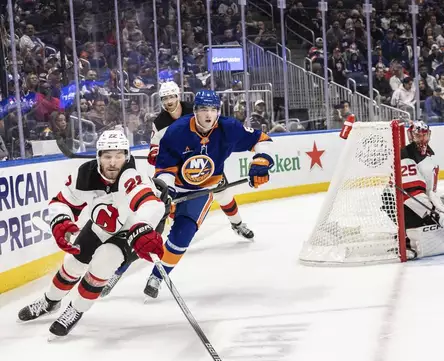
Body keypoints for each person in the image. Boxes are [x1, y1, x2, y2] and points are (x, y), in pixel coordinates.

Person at [17, 129, 168, 338]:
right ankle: (50, 301)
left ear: (127, 156)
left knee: (104, 262)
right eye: (107, 156)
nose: (113, 162)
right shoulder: (85, 174)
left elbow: (152, 204)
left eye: (119, 156)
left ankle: (75, 309)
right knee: (72, 263)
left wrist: (142, 227)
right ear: (98, 157)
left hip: (129, 231)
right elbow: (61, 202)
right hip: (100, 226)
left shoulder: (131, 177)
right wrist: (61, 220)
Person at [145, 90, 274, 299]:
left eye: (213, 109)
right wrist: (167, 192)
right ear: (195, 110)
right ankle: (117, 268)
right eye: (204, 109)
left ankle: (157, 276)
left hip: (203, 189)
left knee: (183, 234)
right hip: (175, 187)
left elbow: (263, 139)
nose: (208, 114)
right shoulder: (176, 131)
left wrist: (262, 160)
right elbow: (164, 169)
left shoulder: (229, 128)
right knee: (146, 226)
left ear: (218, 111)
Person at [393, 121, 444, 259]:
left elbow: (429, 191)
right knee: (429, 219)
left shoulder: (429, 155)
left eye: (425, 136)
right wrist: (431, 213)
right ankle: (405, 240)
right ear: (411, 136)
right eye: (418, 136)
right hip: (402, 202)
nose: (422, 140)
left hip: (418, 199)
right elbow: (410, 194)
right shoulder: (405, 155)